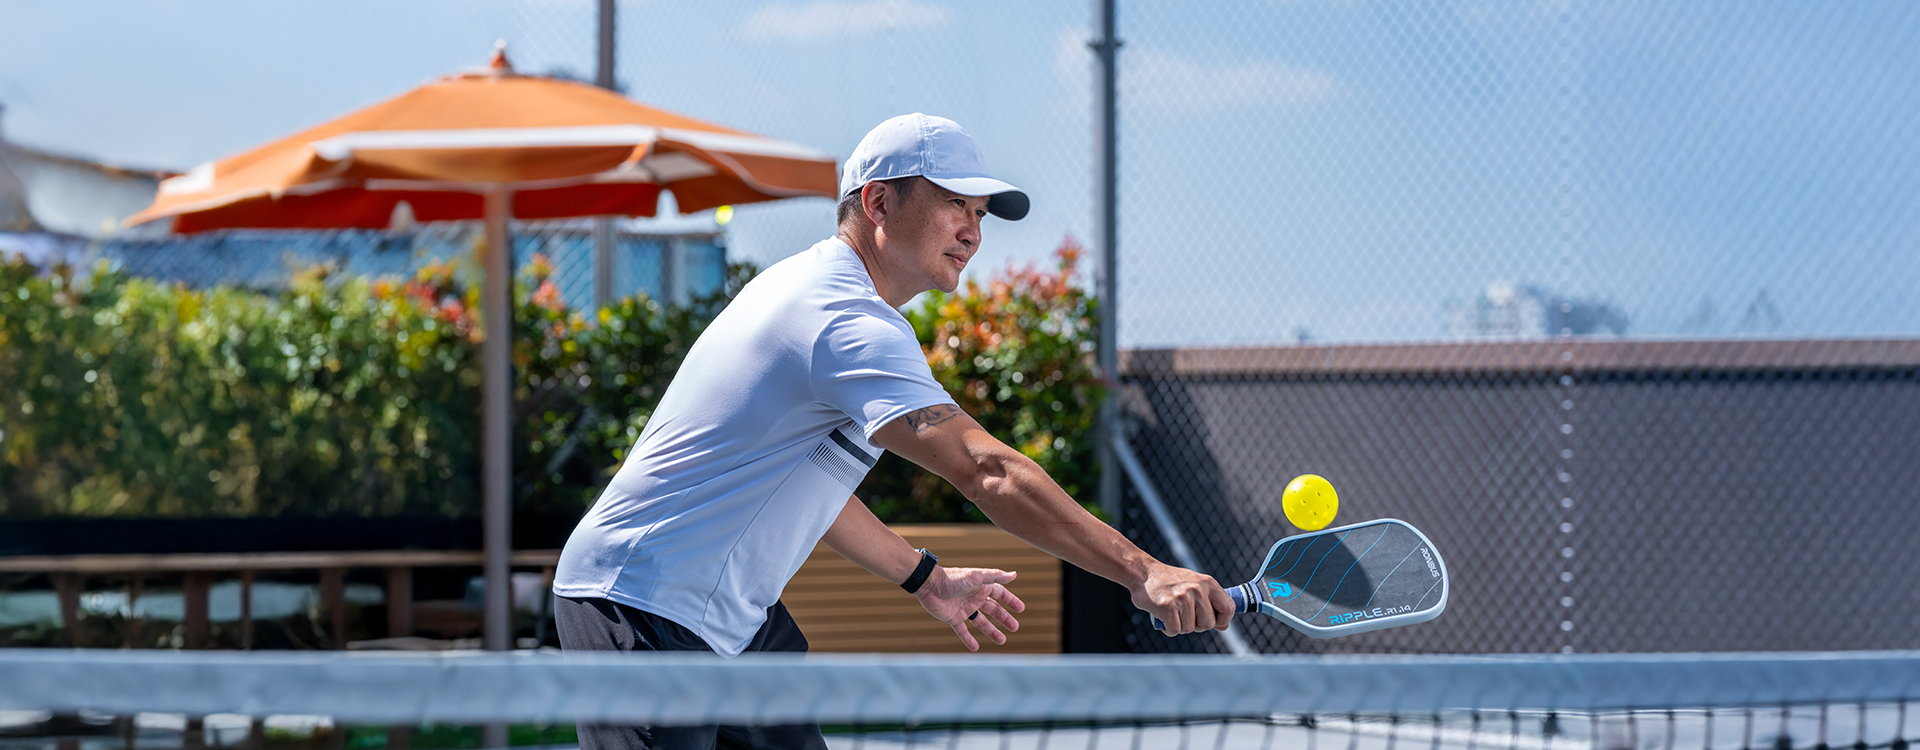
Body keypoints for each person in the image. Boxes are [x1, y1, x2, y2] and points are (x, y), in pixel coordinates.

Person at [552, 113, 1236, 750]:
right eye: (954, 205)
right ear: (878, 203)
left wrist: (924, 578)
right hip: (641, 600)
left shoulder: (821, 293)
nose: (972, 232)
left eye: (979, 214)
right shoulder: (842, 318)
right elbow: (986, 472)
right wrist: (1144, 572)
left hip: (728, 620)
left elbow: (803, 489)